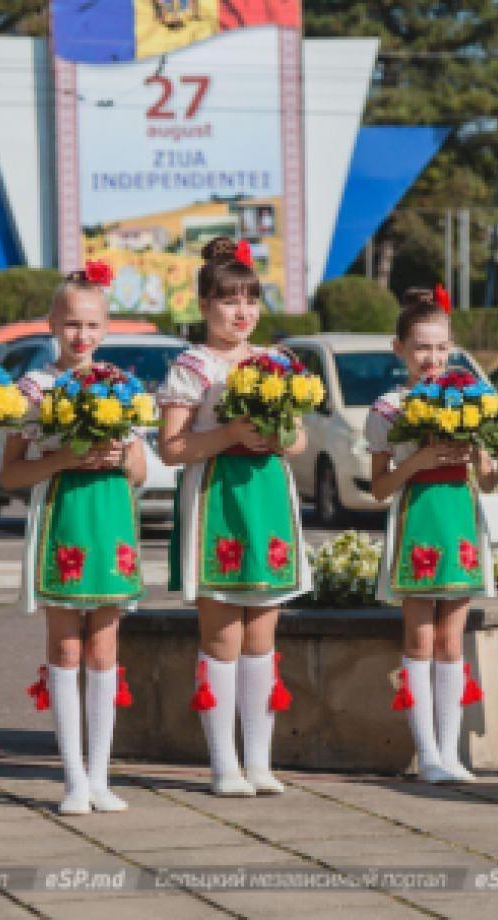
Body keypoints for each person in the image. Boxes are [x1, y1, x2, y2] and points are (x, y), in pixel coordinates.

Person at [158, 237, 310, 797]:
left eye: (250, 300)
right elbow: (171, 448)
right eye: (228, 300)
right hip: (217, 501)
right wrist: (228, 434)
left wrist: (279, 434)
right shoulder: (190, 367)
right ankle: (224, 764)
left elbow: (297, 440)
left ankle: (261, 763)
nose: (241, 312)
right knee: (222, 638)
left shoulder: (278, 364)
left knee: (262, 640)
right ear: (204, 306)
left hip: (268, 499)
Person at [0, 267, 148, 815]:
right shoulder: (33, 389)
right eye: (71, 324)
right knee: (66, 647)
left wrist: (119, 457)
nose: (81, 336)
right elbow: (11, 474)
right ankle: (72, 780)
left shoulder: (121, 386)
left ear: (105, 328)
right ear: (52, 325)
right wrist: (65, 457)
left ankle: (102, 775)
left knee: (105, 649)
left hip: (110, 521)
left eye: (91, 325)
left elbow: (140, 470)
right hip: (62, 519)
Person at [364, 288, 498, 783]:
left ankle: (451, 753)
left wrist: (495, 466)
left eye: (442, 347)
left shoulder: (472, 400)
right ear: (399, 348)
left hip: (461, 524)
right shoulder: (390, 407)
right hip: (416, 523)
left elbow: (487, 480)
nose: (433, 358)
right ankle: (426, 753)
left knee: (452, 640)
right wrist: (419, 460)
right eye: (422, 347)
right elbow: (380, 488)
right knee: (420, 637)